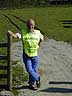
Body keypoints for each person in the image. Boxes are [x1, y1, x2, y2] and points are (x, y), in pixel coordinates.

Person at [8, 19, 43, 90]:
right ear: (26, 25)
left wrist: (38, 45)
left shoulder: (38, 32)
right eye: (29, 25)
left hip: (35, 55)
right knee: (29, 70)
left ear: (34, 25)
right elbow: (16, 36)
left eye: (32, 25)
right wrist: (11, 33)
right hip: (26, 55)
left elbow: (42, 38)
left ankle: (31, 84)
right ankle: (37, 78)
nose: (30, 26)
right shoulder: (23, 32)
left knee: (33, 70)